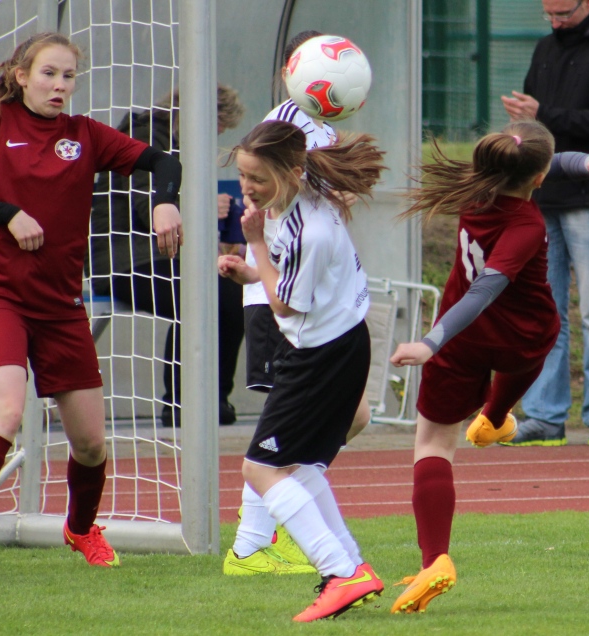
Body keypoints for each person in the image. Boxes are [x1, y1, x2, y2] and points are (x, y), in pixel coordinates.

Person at [0, 32, 182, 582]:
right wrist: (7, 214)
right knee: (6, 414)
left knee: (90, 443)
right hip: (0, 296)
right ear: (22, 76)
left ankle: (80, 529)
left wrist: (165, 203)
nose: (59, 85)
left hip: (63, 305)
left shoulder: (85, 135)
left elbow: (163, 162)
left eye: (68, 76)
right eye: (48, 74)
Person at [387, 121, 589, 615]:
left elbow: (475, 293)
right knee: (526, 358)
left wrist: (434, 340)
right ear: (539, 178)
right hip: (522, 337)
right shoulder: (527, 224)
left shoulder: (473, 191)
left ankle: (435, 560)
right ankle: (494, 417)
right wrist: (427, 344)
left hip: (462, 338)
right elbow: (487, 289)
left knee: (433, 445)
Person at [217, 120, 386, 622]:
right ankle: (353, 565)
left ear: (292, 172)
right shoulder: (302, 192)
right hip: (341, 342)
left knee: (261, 468)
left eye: (258, 178)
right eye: (243, 175)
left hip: (319, 355)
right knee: (299, 465)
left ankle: (340, 573)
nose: (248, 187)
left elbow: (286, 305)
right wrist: (252, 272)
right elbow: (286, 279)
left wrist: (254, 246)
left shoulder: (307, 229)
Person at [224, 29, 371, 577]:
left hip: (310, 310)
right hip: (287, 306)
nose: (246, 185)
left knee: (333, 427)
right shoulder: (286, 132)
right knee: (278, 446)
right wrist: (253, 260)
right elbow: (282, 222)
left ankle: (289, 530)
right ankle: (253, 543)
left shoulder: (315, 137)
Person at [500, 0, 589, 447]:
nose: (556, 22)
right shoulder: (545, 48)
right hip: (543, 194)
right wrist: (522, 123)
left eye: (563, 13)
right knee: (545, 312)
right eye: (549, 14)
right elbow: (536, 128)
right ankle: (545, 416)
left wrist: (542, 113)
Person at [88, 85, 245, 427]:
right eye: (219, 125)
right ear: (203, 116)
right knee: (200, 299)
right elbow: (152, 210)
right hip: (126, 260)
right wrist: (206, 209)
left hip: (155, 256)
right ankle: (182, 403)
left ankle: (213, 398)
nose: (218, 134)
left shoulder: (167, 139)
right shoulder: (146, 138)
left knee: (230, 294)